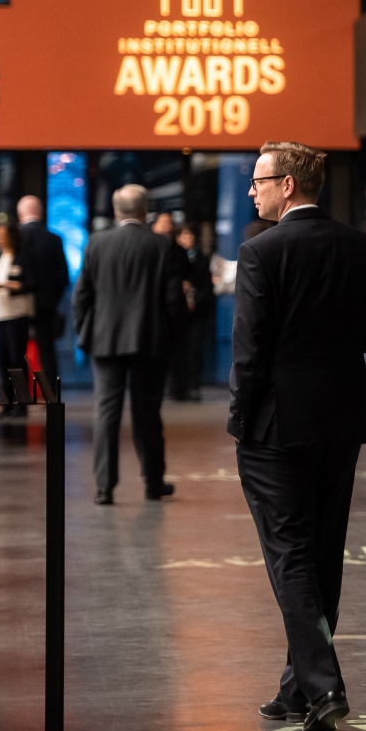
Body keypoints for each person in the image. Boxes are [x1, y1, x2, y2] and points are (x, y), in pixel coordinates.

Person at [231, 141, 366, 731]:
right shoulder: (362, 247)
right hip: (341, 421)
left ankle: (323, 686)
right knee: (322, 554)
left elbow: (249, 351)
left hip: (277, 426)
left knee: (290, 555)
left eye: (259, 181)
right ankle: (297, 687)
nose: (253, 191)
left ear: (288, 185)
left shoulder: (260, 251)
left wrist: (239, 420)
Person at [73, 184, 186, 505]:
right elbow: (173, 300)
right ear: (145, 210)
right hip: (149, 340)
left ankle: (104, 487)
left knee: (105, 411)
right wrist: (174, 338)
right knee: (147, 411)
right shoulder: (161, 245)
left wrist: (86, 333)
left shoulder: (96, 243)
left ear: (115, 211)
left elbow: (81, 296)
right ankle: (153, 482)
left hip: (105, 341)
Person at [17, 196, 71, 396]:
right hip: (46, 304)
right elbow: (63, 276)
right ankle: (51, 394)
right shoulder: (54, 238)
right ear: (40, 212)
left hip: (17, 303)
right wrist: (52, 298)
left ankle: (20, 396)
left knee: (16, 352)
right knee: (47, 351)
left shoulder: (16, 237)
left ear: (20, 213)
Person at [0, 218, 37, 420]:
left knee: (17, 360)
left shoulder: (23, 257)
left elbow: (32, 283)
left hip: (17, 314)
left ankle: (22, 403)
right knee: (1, 361)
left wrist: (8, 285)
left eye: (2, 236)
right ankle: (7, 402)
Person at [169, 223, 214, 401]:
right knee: (177, 351)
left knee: (195, 350)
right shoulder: (172, 257)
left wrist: (195, 300)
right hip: (177, 312)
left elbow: (206, 286)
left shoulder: (202, 259)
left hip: (197, 312)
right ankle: (176, 386)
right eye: (185, 235)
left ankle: (193, 386)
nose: (189, 238)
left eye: (191, 235)